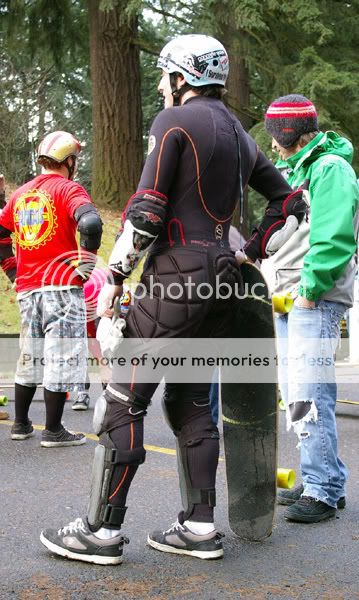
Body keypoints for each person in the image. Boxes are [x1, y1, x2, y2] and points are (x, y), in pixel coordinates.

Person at [40, 34, 307, 565]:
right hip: (224, 283)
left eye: (166, 75)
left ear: (183, 77)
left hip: (173, 279)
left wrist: (115, 273)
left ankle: (100, 532)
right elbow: (291, 203)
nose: (162, 84)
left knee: (122, 400)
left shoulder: (173, 123)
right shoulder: (239, 133)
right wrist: (249, 252)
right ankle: (199, 526)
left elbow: (145, 211)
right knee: (188, 401)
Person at [261, 94, 359, 522]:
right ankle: (323, 476)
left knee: (309, 393)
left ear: (287, 133)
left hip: (312, 299)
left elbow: (334, 236)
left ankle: (322, 490)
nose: (273, 146)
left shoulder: (330, 169)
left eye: (274, 136)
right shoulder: (296, 169)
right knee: (295, 392)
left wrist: (310, 290)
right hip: (288, 296)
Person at [0, 131, 103, 447]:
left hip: (28, 289)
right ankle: (54, 430)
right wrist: (85, 267)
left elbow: (1, 232)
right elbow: (91, 224)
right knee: (61, 356)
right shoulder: (68, 189)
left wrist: (14, 272)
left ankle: (20, 424)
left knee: (30, 355)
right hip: (60, 286)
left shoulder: (21, 194)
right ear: (68, 160)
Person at [71, 267, 108, 411]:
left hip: (105, 300)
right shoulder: (79, 300)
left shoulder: (115, 294)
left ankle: (108, 391)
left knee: (109, 347)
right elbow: (90, 337)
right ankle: (82, 392)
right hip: (86, 303)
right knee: (79, 348)